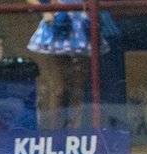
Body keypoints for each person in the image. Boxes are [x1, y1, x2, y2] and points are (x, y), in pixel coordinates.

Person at [25, 0, 119, 130]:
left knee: (78, 90)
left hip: (81, 27)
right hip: (59, 25)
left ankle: (74, 135)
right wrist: (45, 10)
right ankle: (55, 135)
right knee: (59, 89)